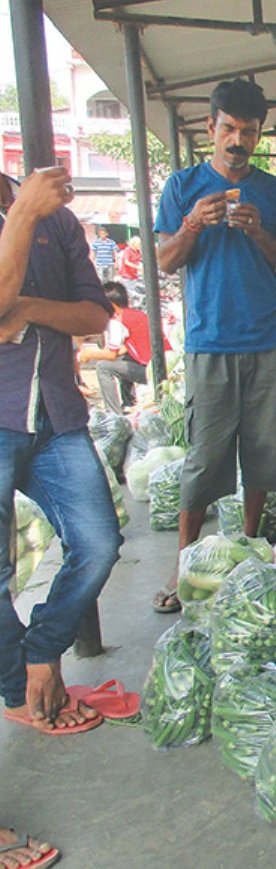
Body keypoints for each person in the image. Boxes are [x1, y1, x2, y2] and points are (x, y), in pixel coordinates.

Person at [151, 78, 276, 613]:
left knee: (265, 455)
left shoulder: (275, 192)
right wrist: (194, 222)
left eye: (249, 132)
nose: (238, 140)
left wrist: (259, 233)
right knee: (204, 460)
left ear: (260, 135)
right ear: (211, 127)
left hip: (267, 340)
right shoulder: (182, 186)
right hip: (209, 342)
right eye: (229, 129)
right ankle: (184, 563)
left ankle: (246, 543)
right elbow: (166, 262)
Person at [0, 167, 121, 734]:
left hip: (56, 415)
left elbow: (95, 315)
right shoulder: (33, 212)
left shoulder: (61, 220)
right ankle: (17, 694)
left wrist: (25, 310)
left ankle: (43, 649)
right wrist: (22, 215)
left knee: (98, 542)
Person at [77, 282, 153, 413]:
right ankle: (129, 403)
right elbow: (124, 349)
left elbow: (111, 354)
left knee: (103, 367)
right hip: (156, 366)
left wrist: (87, 354)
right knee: (122, 359)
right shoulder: (135, 314)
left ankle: (113, 412)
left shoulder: (117, 322)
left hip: (151, 371)